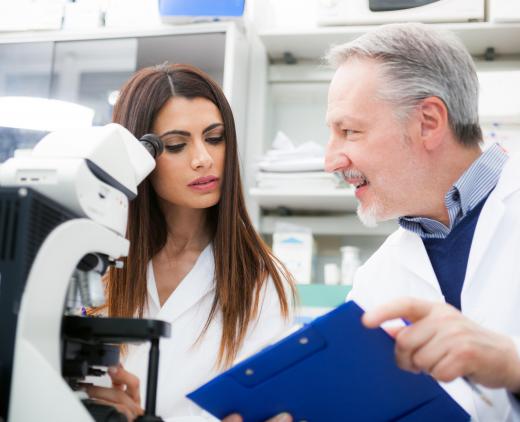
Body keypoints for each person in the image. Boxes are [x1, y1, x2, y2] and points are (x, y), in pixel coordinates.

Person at [224, 22, 520, 422]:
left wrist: (510, 364)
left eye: (349, 131)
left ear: (428, 122)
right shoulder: (376, 280)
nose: (331, 161)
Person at [85, 63, 295, 421]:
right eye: (176, 145)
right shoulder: (96, 268)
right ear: (138, 157)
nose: (203, 159)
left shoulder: (261, 280)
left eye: (215, 138)